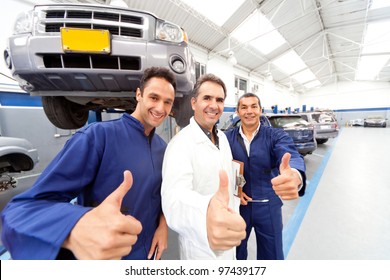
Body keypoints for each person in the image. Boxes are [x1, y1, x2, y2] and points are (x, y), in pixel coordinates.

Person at [1, 67, 177, 260]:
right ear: (138, 94)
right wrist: (75, 227)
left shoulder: (163, 148)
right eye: (154, 98)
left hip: (149, 256)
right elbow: (23, 210)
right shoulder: (98, 137)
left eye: (167, 102)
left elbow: (162, 195)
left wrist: (163, 226)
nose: (160, 108)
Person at [161, 73, 246, 260]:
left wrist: (238, 187)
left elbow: (224, 177)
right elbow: (173, 200)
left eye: (219, 100)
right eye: (207, 98)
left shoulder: (222, 138)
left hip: (228, 239)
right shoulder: (180, 144)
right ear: (193, 103)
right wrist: (206, 211)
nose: (214, 105)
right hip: (200, 248)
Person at [224, 92, 306, 260]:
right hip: (239, 206)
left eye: (254, 106)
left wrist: (294, 175)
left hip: (269, 206)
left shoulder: (275, 136)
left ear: (260, 110)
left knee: (272, 255)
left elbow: (292, 155)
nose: (249, 111)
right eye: (244, 107)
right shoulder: (226, 138)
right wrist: (235, 190)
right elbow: (219, 167)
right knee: (234, 255)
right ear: (238, 112)